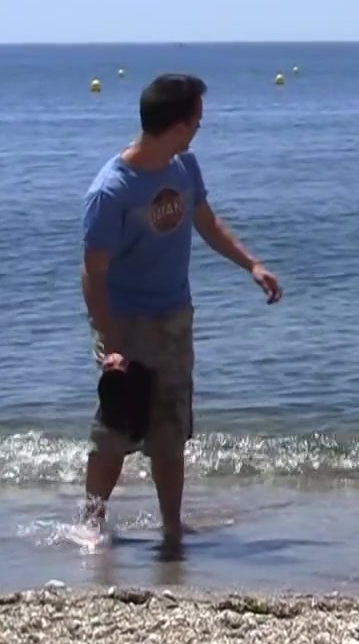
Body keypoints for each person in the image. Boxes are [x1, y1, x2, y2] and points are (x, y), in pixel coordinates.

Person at [79, 73, 282, 548]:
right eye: (197, 121)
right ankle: (91, 525)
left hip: (174, 318)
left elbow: (206, 222)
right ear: (177, 126)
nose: (200, 128)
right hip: (125, 324)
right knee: (116, 430)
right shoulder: (112, 191)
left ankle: (172, 529)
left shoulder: (184, 167)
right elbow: (92, 273)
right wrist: (110, 343)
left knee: (171, 429)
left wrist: (251, 264)